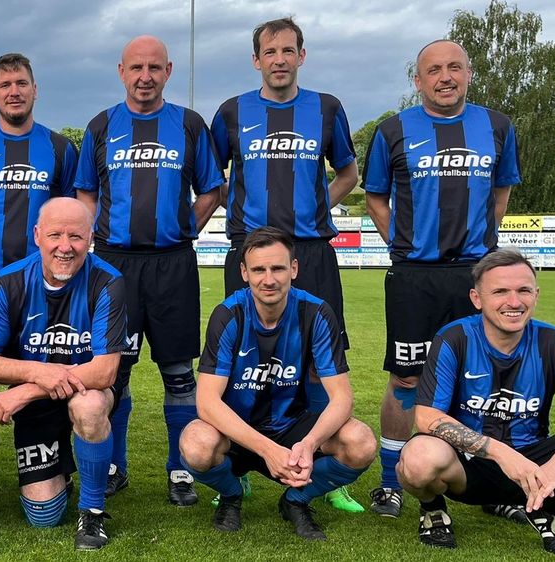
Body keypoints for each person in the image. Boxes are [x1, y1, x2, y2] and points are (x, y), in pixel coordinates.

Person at [397, 248, 555, 555]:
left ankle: (543, 505)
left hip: (534, 461)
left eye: (523, 291)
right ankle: (433, 509)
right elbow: (426, 417)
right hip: (469, 463)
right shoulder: (454, 338)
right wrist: (500, 453)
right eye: (500, 291)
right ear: (477, 298)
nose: (514, 302)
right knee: (418, 458)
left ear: (536, 295)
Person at [362, 39, 521, 519]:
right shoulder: (392, 130)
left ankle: (492, 483)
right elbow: (375, 198)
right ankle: (391, 481)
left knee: (490, 376)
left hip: (476, 274)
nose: (445, 76)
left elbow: (501, 192)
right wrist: (405, 248)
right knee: (406, 377)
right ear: (418, 80)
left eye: (455, 67)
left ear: (469, 73)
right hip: (415, 277)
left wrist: (482, 251)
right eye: (434, 70)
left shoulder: (496, 126)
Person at [211, 17, 362, 513]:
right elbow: (213, 180)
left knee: (321, 364)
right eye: (269, 51)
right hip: (250, 253)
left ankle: (322, 469)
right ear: (256, 59)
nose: (279, 59)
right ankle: (242, 464)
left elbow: (347, 171)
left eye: (288, 50)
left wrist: (319, 207)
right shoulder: (232, 112)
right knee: (241, 360)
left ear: (302, 55)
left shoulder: (327, 108)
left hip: (312, 249)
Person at [74, 35, 224, 505]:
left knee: (179, 372)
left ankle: (180, 469)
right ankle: (114, 463)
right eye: (136, 68)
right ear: (121, 71)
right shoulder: (100, 127)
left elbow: (211, 190)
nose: (145, 77)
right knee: (112, 372)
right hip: (115, 267)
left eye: (154, 68)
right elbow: (85, 195)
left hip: (173, 265)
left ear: (169, 70)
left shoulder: (191, 125)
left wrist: (183, 229)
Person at [179, 227, 375, 541]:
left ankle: (296, 500)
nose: (268, 279)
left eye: (278, 268)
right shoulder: (228, 315)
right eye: (258, 269)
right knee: (195, 444)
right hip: (238, 431)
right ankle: (231, 494)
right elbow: (207, 403)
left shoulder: (317, 313)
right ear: (244, 272)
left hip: (293, 428)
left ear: (293, 269)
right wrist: (267, 450)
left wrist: (308, 445)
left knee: (361, 441)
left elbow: (342, 398)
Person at [0, 198, 127, 550]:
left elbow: (104, 371)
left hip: (85, 391)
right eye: (55, 234)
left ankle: (92, 511)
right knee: (43, 514)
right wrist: (39, 373)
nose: (65, 246)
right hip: (41, 402)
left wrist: (27, 390)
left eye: (75, 236)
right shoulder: (10, 281)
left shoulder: (108, 282)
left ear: (90, 238)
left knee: (88, 407)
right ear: (38, 235)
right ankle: (75, 467)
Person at [0, 52, 78, 296]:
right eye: (5, 85)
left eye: (21, 83)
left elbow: (73, 210)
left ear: (35, 90)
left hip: (44, 281)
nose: (14, 92)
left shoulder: (61, 148)